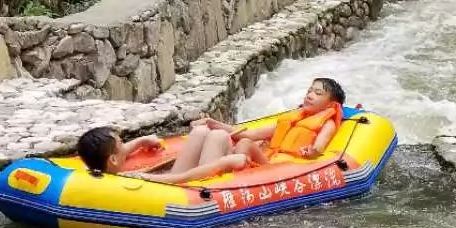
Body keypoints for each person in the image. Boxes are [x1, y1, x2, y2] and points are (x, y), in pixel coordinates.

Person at [207, 77, 346, 162]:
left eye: (318, 93)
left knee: (245, 144)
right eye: (309, 91)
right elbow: (252, 134)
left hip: (285, 164)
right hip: (270, 157)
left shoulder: (328, 124)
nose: (309, 95)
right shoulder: (294, 118)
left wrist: (312, 151)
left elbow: (319, 147)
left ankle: (226, 175)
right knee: (238, 141)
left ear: (330, 104)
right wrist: (216, 124)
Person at [75, 124, 266, 185]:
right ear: (114, 159)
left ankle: (233, 149)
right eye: (122, 143)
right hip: (188, 185)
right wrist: (225, 161)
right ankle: (232, 151)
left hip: (173, 179)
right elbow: (182, 179)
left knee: (200, 132)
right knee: (219, 136)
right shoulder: (130, 181)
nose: (126, 145)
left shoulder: (99, 170)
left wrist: (141, 142)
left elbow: (116, 154)